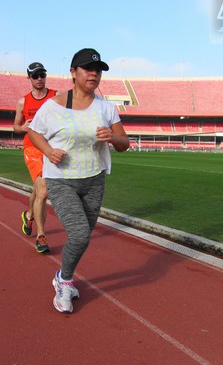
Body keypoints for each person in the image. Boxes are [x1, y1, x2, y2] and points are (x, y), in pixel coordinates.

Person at [28, 48, 130, 313]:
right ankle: (64, 282)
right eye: (87, 69)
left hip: (94, 180)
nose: (93, 74)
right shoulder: (53, 106)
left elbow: (124, 144)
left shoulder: (107, 108)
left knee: (84, 237)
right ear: (73, 73)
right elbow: (33, 133)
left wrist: (112, 136)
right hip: (61, 180)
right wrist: (49, 151)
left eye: (98, 70)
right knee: (80, 234)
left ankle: (63, 275)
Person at [13, 62, 58, 253]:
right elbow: (16, 126)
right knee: (44, 190)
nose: (40, 79)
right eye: (36, 76)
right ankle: (41, 236)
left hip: (51, 148)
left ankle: (29, 214)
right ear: (29, 78)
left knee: (38, 189)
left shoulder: (56, 96)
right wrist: (22, 128)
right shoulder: (23, 102)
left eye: (42, 75)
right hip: (32, 149)